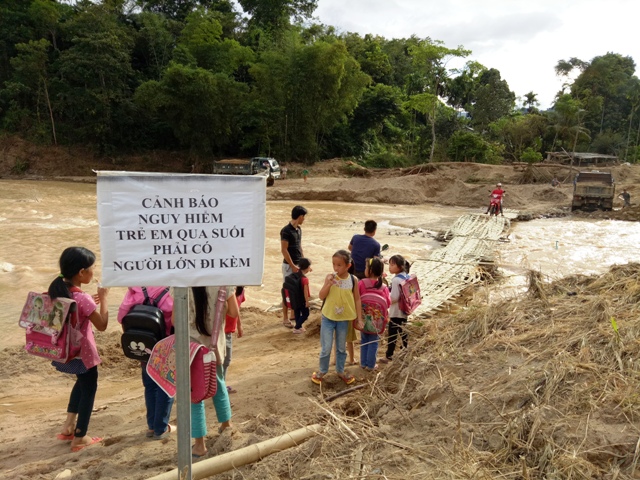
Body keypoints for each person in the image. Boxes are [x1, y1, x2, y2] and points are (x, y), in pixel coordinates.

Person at [51, 247, 109, 452]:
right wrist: (104, 299)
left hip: (64, 351)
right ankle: (80, 436)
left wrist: (91, 302)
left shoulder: (57, 290)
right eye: (92, 268)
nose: (94, 272)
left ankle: (68, 426)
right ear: (82, 272)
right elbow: (102, 325)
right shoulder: (82, 298)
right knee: (89, 388)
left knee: (81, 382)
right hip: (81, 353)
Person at [117, 287, 175, 440]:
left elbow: (121, 316)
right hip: (166, 345)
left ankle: (151, 426)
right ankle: (161, 428)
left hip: (144, 345)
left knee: (150, 385)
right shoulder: (172, 289)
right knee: (166, 384)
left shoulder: (136, 288)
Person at [189, 286, 239, 458]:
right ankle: (227, 425)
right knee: (218, 382)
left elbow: (174, 319)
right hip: (214, 344)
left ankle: (199, 445)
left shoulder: (181, 281)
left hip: (192, 347)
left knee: (194, 394)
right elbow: (233, 312)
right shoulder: (222, 281)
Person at [311, 250, 361, 386]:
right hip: (328, 317)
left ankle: (340, 370)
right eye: (334, 264)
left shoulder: (353, 280)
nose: (335, 268)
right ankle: (322, 371)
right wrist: (328, 284)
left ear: (348, 266)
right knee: (326, 347)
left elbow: (357, 299)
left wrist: (359, 318)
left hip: (344, 319)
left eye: (339, 265)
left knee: (341, 347)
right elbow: (321, 296)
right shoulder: (329, 277)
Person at [358, 258, 390, 371]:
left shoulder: (361, 283)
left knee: (364, 339)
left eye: (366, 267)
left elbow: (356, 299)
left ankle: (363, 363)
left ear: (370, 270)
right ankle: (371, 365)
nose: (365, 269)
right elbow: (388, 303)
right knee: (373, 342)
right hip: (377, 321)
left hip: (363, 319)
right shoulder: (384, 287)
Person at [379, 254, 411, 364]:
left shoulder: (396, 279)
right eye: (390, 264)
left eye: (393, 265)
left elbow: (394, 298)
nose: (390, 267)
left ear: (400, 267)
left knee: (392, 334)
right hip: (405, 310)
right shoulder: (406, 276)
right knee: (403, 332)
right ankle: (406, 351)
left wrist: (385, 301)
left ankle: (389, 356)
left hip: (396, 311)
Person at [280, 205, 307, 327]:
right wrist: (292, 265)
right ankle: (285, 318)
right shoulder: (286, 231)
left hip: (298, 265)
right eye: (303, 217)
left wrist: (304, 263)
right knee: (287, 291)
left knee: (297, 291)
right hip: (288, 266)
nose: (304, 219)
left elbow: (299, 246)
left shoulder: (299, 230)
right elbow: (284, 250)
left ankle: (293, 314)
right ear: (300, 216)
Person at [282, 258, 312, 334]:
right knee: (306, 314)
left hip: (294, 299)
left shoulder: (295, 275)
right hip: (302, 300)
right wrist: (307, 302)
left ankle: (299, 327)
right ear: (307, 267)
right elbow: (305, 291)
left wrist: (308, 268)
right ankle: (297, 327)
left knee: (297, 313)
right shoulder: (305, 279)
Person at [223, 286, 245, 394]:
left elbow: (237, 308)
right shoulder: (227, 289)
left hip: (228, 331)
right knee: (223, 360)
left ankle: (220, 385)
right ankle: (220, 387)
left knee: (226, 360)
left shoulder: (240, 291)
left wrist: (239, 325)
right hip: (220, 331)